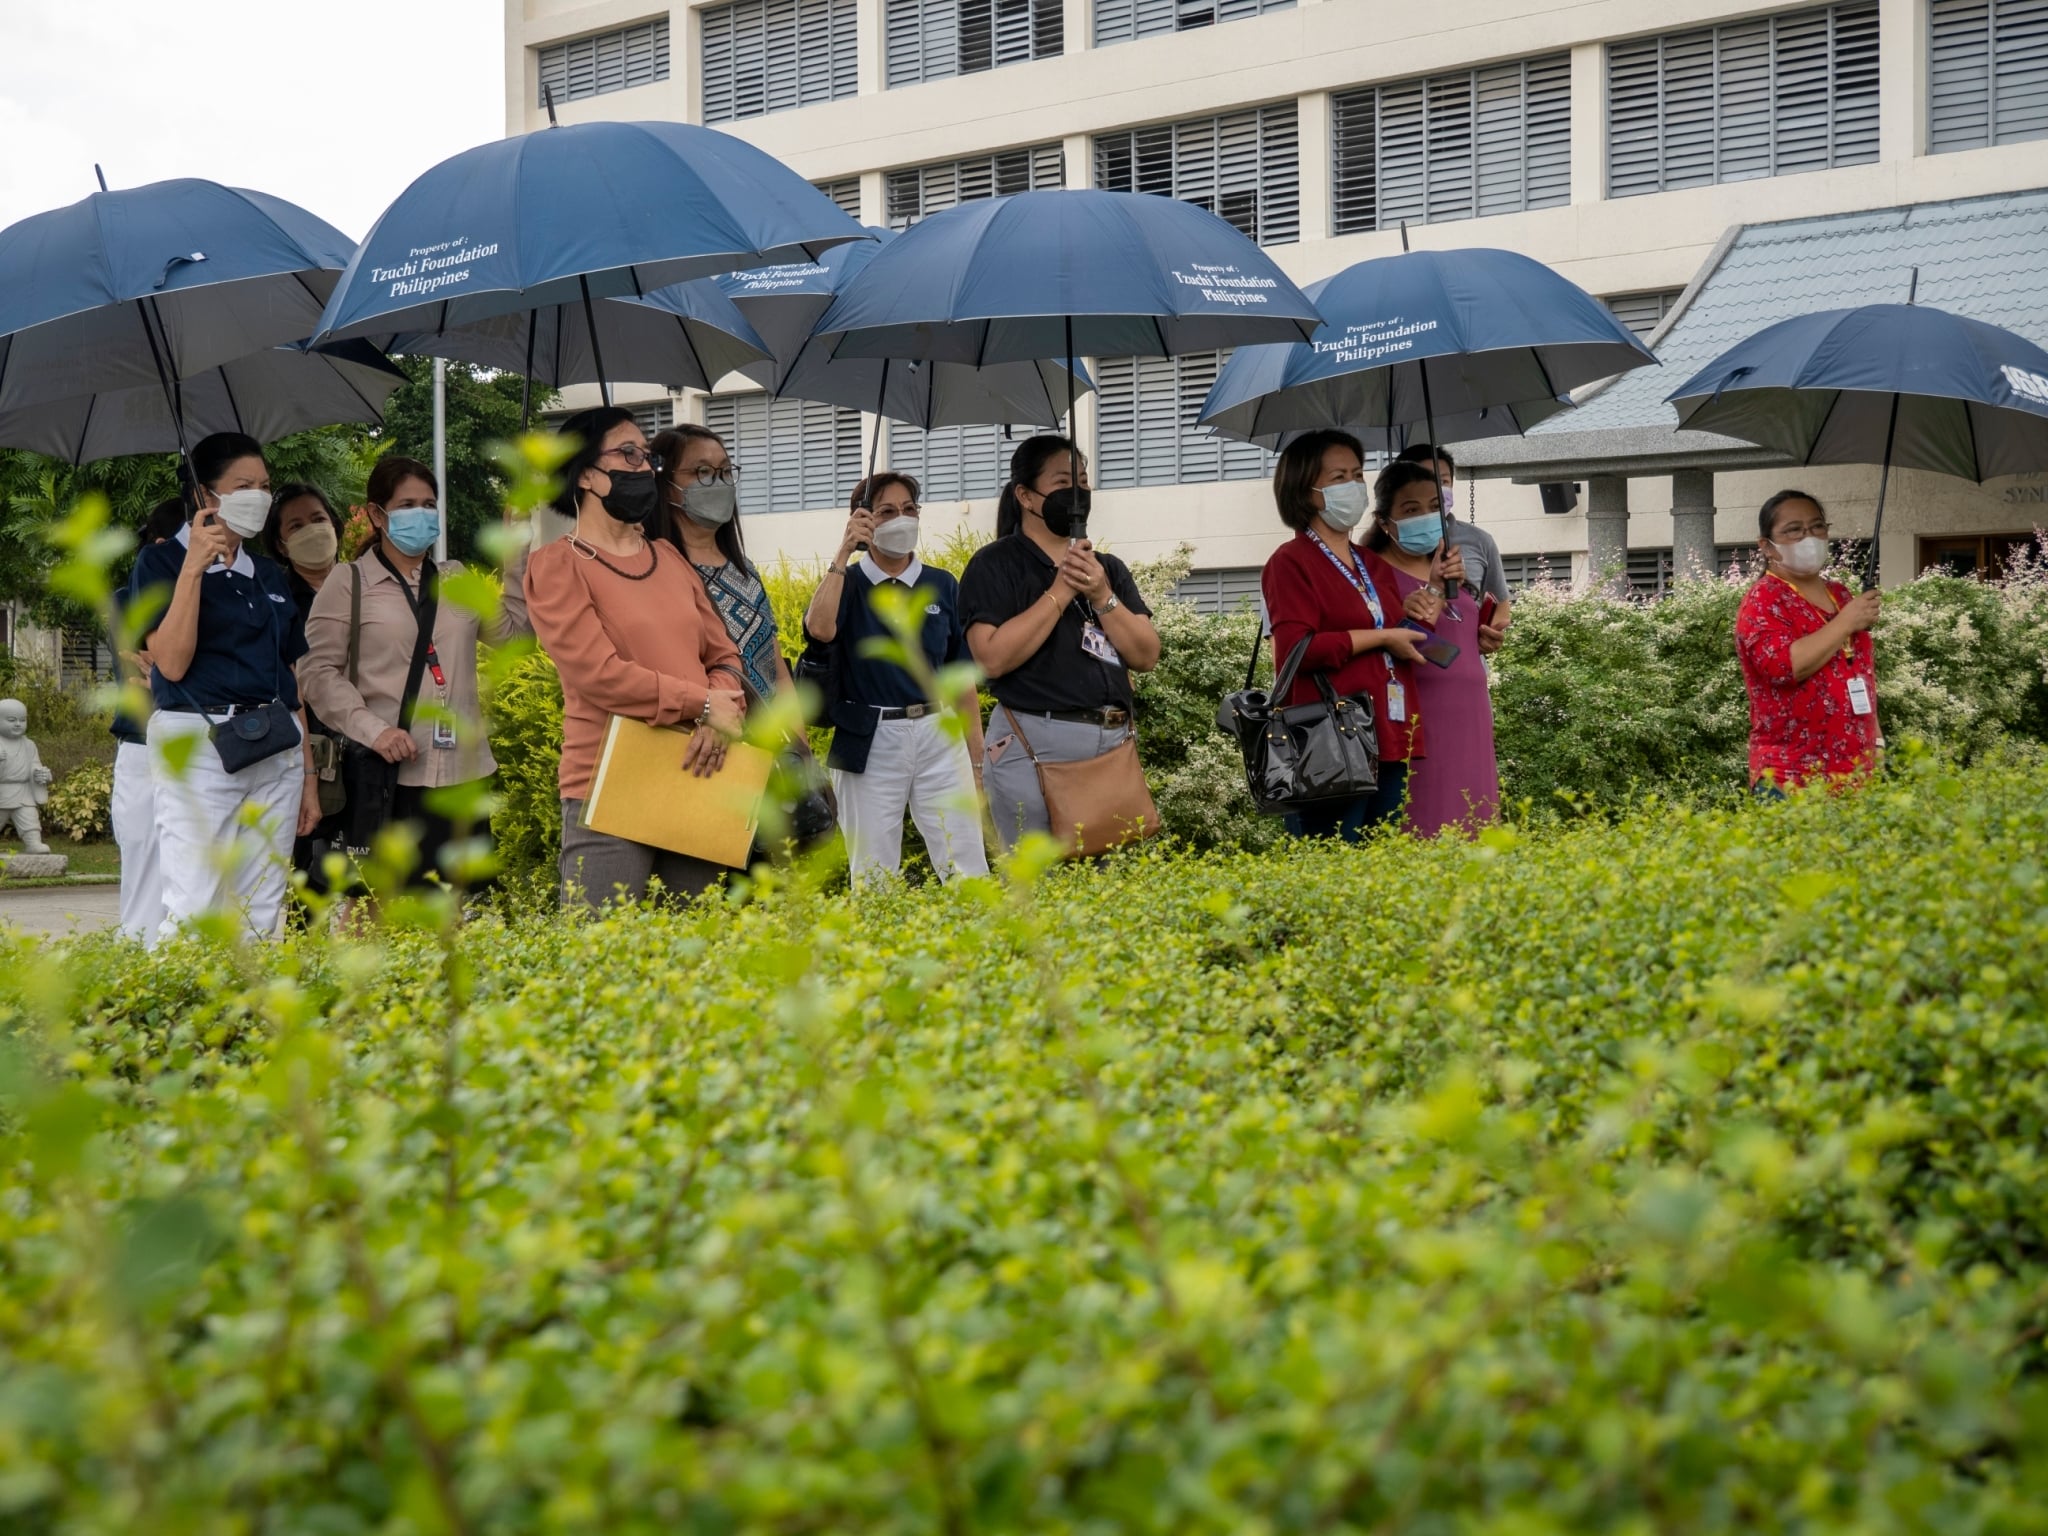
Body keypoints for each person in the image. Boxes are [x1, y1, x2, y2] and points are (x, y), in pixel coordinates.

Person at [523, 406, 747, 908]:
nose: (644, 467)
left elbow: (724, 654)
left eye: (646, 457)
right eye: (627, 454)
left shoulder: (668, 557)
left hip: (697, 771)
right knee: (598, 962)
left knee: (698, 960)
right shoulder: (557, 566)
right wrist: (704, 705)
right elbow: (600, 676)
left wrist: (718, 711)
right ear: (585, 474)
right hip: (607, 784)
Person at [129, 432, 322, 943]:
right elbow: (170, 663)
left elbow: (291, 680)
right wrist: (193, 569)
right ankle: (180, 1018)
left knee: (261, 902)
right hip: (198, 743)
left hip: (275, 744)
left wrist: (307, 776)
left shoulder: (269, 574)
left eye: (264, 485)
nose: (259, 495)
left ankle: (247, 1019)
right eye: (243, 485)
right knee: (195, 903)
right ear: (204, 496)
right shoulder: (160, 562)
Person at [297, 456, 500, 884]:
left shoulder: (457, 577)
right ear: (377, 513)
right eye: (407, 504)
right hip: (387, 777)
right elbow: (316, 673)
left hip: (463, 775)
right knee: (375, 913)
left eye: (429, 504)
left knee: (454, 913)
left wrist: (516, 557)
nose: (422, 515)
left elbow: (514, 635)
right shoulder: (348, 582)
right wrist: (374, 730)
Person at [960, 434, 1161, 851]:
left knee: (1107, 890)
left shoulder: (1107, 568)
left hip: (1110, 746)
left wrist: (1102, 593)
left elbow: (1145, 655)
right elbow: (991, 659)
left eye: (1084, 481)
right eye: (1063, 481)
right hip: (1032, 743)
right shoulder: (994, 564)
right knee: (1038, 889)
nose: (1078, 491)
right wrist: (1060, 591)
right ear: (1025, 496)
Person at [804, 472, 988, 882]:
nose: (901, 519)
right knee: (871, 872)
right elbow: (819, 629)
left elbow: (962, 679)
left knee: (966, 864)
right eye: (887, 511)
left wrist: (977, 761)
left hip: (939, 733)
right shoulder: (847, 583)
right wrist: (843, 551)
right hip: (868, 737)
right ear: (864, 520)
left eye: (909, 509)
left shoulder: (941, 584)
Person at [1259, 432, 1432, 840]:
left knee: (1381, 870)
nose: (1354, 486)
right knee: (1331, 862)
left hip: (1390, 733)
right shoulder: (1290, 562)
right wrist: (1382, 637)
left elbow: (1399, 637)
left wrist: (1432, 601)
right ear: (1308, 491)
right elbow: (1295, 652)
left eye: (1357, 474)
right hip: (1329, 741)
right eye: (1339, 477)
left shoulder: (1371, 562)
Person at [1363, 460, 1499, 834]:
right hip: (1423, 720)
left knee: (1476, 822)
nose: (1426, 516)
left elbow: (1453, 640)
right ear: (1383, 520)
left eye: (1434, 507)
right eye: (1411, 509)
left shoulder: (1451, 568)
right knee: (1430, 822)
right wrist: (1435, 591)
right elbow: (1401, 645)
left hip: (1471, 716)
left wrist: (1481, 640)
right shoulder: (1375, 575)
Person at [1735, 489, 1882, 796]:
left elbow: (1860, 673)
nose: (1809, 537)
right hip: (1792, 778)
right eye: (1794, 530)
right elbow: (1784, 667)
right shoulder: (1764, 599)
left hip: (1856, 773)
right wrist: (1847, 621)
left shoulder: (1841, 595)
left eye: (1817, 526)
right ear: (1767, 546)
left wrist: (1877, 741)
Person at [651, 425, 792, 708]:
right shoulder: (654, 570)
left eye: (725, 472)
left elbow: (777, 671)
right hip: (701, 740)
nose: (718, 482)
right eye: (702, 472)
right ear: (666, 485)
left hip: (768, 745)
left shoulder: (746, 570)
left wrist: (800, 746)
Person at [108, 497, 187, 939]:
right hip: (142, 745)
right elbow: (148, 671)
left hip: (202, 749)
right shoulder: (128, 600)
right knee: (143, 870)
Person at [264, 483, 348, 883]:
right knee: (311, 874)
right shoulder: (273, 596)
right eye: (295, 526)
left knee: (374, 875)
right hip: (309, 747)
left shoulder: (364, 583)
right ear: (280, 545)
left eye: (317, 519)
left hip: (372, 740)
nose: (312, 530)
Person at [1393, 442, 1512, 639]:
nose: (1436, 488)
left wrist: (1487, 635)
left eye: (1444, 481)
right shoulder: (1380, 549)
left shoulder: (1479, 540)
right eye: (1425, 480)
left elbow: (1500, 606)